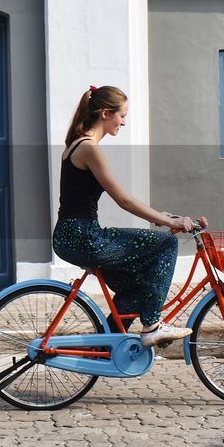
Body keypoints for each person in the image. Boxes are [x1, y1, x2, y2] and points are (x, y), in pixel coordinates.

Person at [52, 85, 206, 348]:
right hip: (84, 237)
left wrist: (159, 216)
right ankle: (153, 326)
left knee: (137, 288)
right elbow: (123, 200)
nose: (123, 122)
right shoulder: (89, 148)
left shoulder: (77, 145)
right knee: (166, 243)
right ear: (105, 113)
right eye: (122, 115)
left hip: (74, 235)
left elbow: (121, 199)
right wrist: (170, 223)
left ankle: (105, 345)